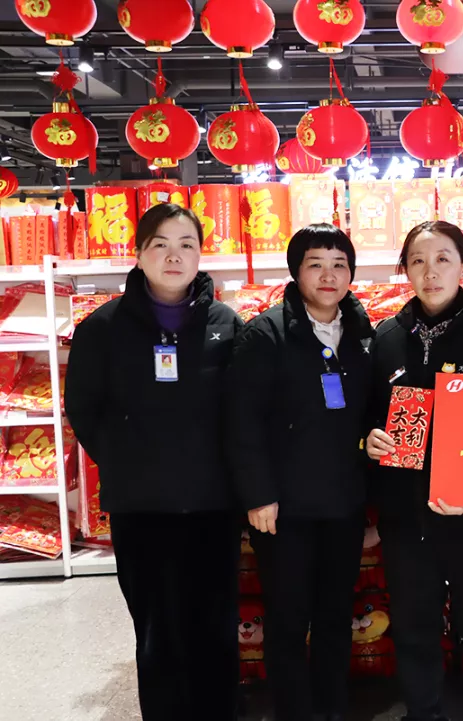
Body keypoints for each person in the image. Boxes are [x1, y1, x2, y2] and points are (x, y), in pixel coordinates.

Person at [65, 203, 243, 721]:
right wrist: (128, 461)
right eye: (160, 244)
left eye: (186, 244)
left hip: (213, 506)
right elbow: (84, 408)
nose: (174, 256)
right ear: (139, 254)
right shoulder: (103, 327)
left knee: (215, 628)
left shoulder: (226, 323)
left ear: (201, 255)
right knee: (157, 631)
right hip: (141, 507)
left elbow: (243, 408)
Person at [365, 220, 463, 721]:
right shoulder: (387, 337)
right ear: (405, 269)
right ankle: (424, 711)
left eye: (442, 259)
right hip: (406, 516)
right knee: (414, 627)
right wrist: (370, 439)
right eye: (418, 260)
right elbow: (368, 416)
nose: (430, 272)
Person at [226, 224, 374, 721]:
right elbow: (241, 421)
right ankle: (293, 710)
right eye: (316, 264)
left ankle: (332, 708)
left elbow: (372, 413)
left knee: (335, 615)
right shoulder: (265, 334)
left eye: (339, 265)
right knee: (289, 618)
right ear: (296, 272)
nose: (329, 276)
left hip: (343, 503)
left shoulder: (363, 334)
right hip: (283, 509)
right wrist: (257, 495)